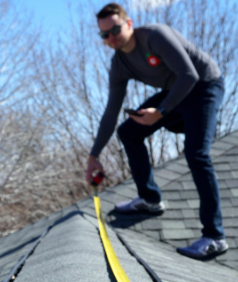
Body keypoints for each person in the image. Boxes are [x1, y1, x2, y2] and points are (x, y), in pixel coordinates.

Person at [86, 3, 228, 260]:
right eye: (104, 35)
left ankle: (214, 237)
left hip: (204, 86)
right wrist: (94, 155)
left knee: (197, 155)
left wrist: (161, 111)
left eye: (115, 30)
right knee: (129, 132)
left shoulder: (155, 36)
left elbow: (189, 75)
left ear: (129, 24)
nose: (111, 38)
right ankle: (150, 199)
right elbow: (111, 112)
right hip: (175, 92)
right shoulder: (119, 64)